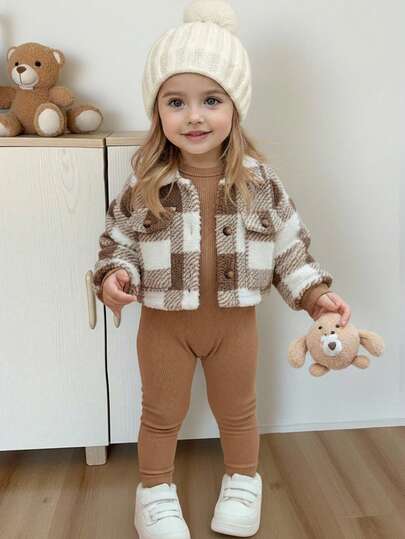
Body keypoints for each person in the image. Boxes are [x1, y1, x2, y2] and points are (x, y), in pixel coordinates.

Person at [92, 1, 351, 537]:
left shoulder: (259, 182)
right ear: (158, 112)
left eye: (211, 100)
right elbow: (118, 241)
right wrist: (114, 275)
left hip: (235, 327)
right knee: (160, 412)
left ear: (235, 107)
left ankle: (243, 479)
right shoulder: (146, 182)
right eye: (176, 102)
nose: (194, 116)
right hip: (164, 326)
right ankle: (154, 490)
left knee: (238, 410)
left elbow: (289, 248)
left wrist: (314, 295)